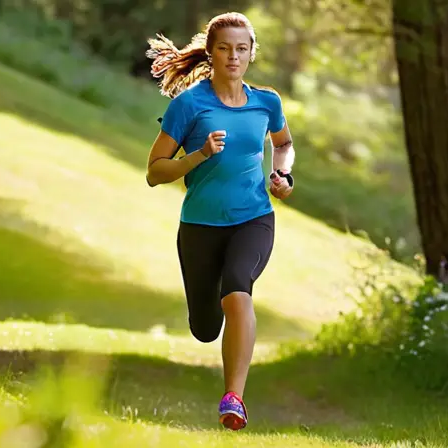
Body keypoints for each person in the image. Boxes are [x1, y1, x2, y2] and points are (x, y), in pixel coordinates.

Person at [143, 11, 295, 431]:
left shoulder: (267, 102)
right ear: (211, 53)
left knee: (238, 289)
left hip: (254, 218)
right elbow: (155, 171)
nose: (233, 56)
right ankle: (213, 333)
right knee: (206, 328)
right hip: (200, 226)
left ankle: (234, 399)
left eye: (241, 49)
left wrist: (282, 174)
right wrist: (199, 155)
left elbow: (283, 144)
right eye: (225, 48)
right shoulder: (189, 105)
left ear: (251, 54)